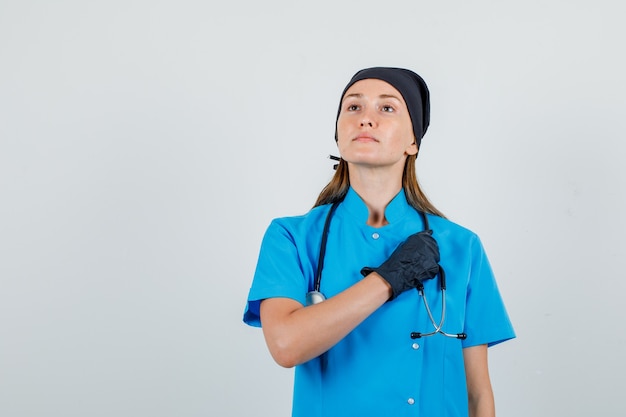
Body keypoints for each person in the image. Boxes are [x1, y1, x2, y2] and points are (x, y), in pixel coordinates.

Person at [243, 67, 515, 417]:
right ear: (339, 135)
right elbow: (286, 345)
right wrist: (388, 280)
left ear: (412, 142)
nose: (366, 119)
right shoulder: (292, 238)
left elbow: (478, 396)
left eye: (386, 108)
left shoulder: (461, 246)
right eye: (353, 107)